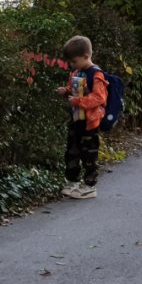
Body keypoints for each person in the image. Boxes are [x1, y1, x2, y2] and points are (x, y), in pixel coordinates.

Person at [56, 35, 107, 200]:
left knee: (89, 154)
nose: (72, 65)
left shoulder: (96, 75)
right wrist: (66, 91)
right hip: (76, 120)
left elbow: (99, 98)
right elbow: (74, 88)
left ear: (86, 56)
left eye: (74, 61)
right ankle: (73, 182)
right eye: (71, 62)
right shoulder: (77, 71)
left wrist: (78, 101)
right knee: (72, 151)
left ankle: (90, 186)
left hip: (90, 123)